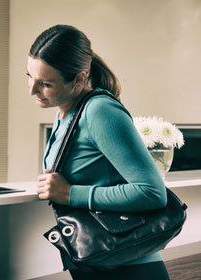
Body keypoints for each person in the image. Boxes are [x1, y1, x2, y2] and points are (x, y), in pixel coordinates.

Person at [28, 25, 170, 279]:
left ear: (79, 79)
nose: (32, 90)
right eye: (29, 76)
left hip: (129, 268)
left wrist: (71, 194)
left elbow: (152, 192)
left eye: (45, 83)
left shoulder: (99, 111)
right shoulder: (65, 112)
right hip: (97, 264)